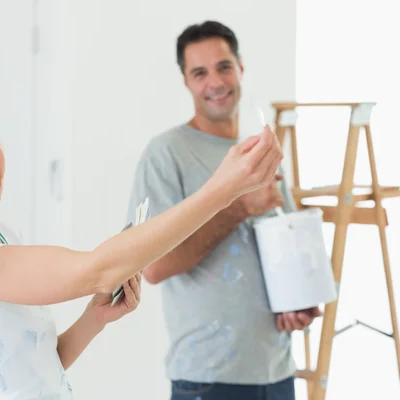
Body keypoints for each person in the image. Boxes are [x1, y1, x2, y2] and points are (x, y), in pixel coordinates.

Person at [0, 82, 283, 400]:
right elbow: (97, 269)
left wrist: (94, 318)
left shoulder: (2, 239)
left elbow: (39, 365)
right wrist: (223, 191)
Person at [126, 21, 322, 400]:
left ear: (241, 68)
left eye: (224, 67)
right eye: (200, 72)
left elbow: (285, 243)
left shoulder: (259, 153)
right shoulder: (167, 153)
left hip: (277, 370)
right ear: (186, 81)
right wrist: (240, 208)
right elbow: (154, 267)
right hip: (207, 378)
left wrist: (295, 303)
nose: (215, 81)